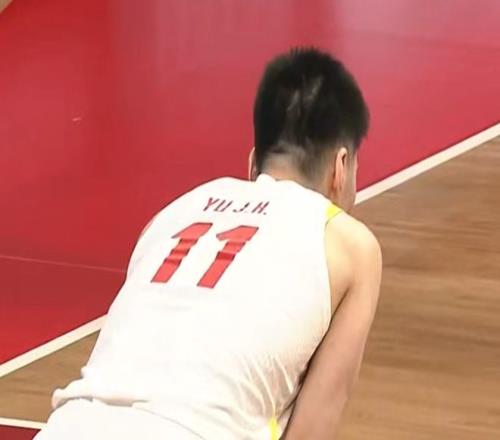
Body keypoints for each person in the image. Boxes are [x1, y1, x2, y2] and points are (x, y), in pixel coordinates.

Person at [35, 47, 382, 440]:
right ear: (340, 167)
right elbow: (312, 431)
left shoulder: (170, 215)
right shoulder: (352, 246)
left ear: (253, 164)